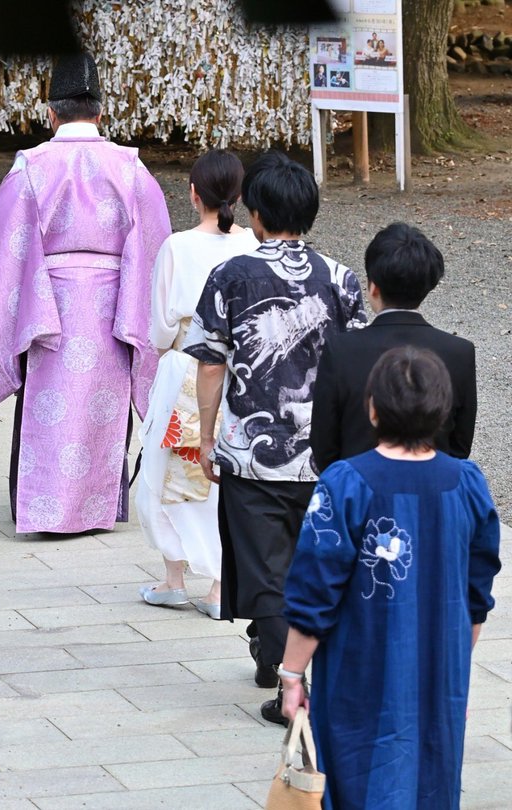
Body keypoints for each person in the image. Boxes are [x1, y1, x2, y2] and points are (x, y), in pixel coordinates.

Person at [0, 51, 171, 534]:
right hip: (111, 307)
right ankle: (97, 508)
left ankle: (38, 505)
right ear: (101, 114)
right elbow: (154, 251)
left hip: (49, 306)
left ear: (50, 112)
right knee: (106, 398)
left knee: (44, 400)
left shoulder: (32, 168)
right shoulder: (130, 169)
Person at [183, 150, 365, 722]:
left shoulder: (230, 275)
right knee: (317, 560)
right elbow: (360, 361)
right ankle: (283, 661)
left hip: (251, 447)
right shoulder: (340, 278)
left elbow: (211, 363)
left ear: (255, 212)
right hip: (326, 452)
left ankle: (287, 677)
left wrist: (207, 436)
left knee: (264, 566)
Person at [280, 347, 500, 807]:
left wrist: (292, 673)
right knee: (431, 777)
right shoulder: (467, 482)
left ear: (373, 408)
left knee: (356, 771)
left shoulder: (346, 482)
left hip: (358, 663)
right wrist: (450, 652)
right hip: (441, 668)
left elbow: (315, 587)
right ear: (443, 411)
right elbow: (477, 589)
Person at [137, 150, 258, 618]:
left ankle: (174, 577)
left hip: (185, 362)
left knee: (165, 469)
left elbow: (160, 331)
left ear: (193, 194)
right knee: (225, 476)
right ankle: (219, 585)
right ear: (240, 195)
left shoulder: (177, 247)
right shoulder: (251, 246)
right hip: (237, 374)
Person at [311, 222, 476, 472]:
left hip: (358, 497)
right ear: (427, 287)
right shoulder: (459, 352)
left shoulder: (340, 350)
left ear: (373, 287)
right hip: (432, 493)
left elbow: (324, 445)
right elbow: (459, 447)